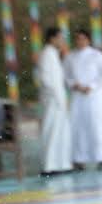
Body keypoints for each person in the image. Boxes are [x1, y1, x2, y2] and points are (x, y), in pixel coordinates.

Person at [64, 29, 102, 170]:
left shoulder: (97, 55)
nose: (80, 41)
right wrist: (74, 85)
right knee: (78, 127)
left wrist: (91, 86)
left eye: (83, 39)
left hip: (95, 97)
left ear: (88, 40)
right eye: (78, 39)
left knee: (97, 126)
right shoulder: (70, 57)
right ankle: (79, 159)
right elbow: (66, 76)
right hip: (78, 98)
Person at [38, 27, 72, 176]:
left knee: (60, 132)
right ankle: (49, 165)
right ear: (52, 39)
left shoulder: (53, 54)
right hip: (52, 100)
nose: (62, 41)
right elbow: (46, 80)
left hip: (58, 100)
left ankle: (61, 164)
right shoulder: (47, 54)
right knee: (52, 131)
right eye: (60, 38)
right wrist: (57, 98)